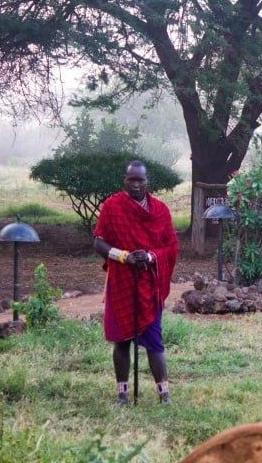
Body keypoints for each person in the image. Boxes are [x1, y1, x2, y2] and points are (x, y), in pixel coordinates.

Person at [93, 160, 179, 405]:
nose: (136, 184)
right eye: (131, 179)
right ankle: (122, 394)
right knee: (121, 340)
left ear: (147, 181)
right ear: (125, 180)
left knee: (154, 340)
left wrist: (151, 256)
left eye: (140, 180)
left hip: (149, 286)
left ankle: (164, 395)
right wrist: (124, 256)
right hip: (121, 281)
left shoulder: (160, 210)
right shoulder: (112, 207)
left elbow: (171, 246)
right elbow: (99, 242)